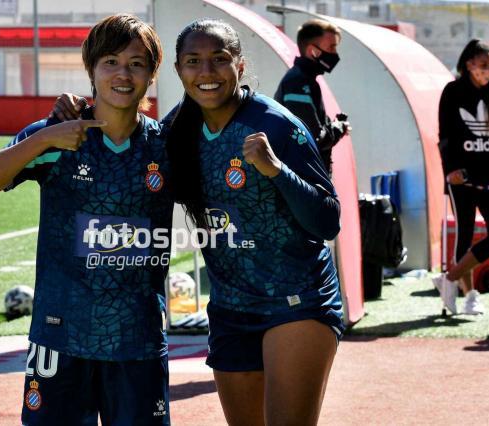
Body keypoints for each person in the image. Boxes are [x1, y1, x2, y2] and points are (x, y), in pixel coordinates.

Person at [52, 18, 345, 425]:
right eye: (193, 61)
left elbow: (328, 221)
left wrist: (276, 170)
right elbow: (124, 149)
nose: (206, 72)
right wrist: (74, 112)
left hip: (296, 302)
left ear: (239, 66)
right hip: (230, 309)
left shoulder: (275, 124)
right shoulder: (177, 129)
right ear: (178, 69)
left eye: (219, 59)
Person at [0, 14, 173, 425]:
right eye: (110, 62)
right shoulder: (56, 134)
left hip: (137, 338)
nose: (122, 74)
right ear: (91, 70)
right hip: (59, 334)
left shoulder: (166, 146)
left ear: (152, 75)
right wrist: (45, 137)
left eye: (136, 64)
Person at [434, 39, 489, 316]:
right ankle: (470, 294)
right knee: (465, 233)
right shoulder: (453, 91)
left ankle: (449, 277)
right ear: (469, 64)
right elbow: (444, 134)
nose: (488, 70)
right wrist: (451, 170)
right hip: (462, 177)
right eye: (483, 64)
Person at [273, 19, 350, 175]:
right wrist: (339, 128)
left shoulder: (306, 79)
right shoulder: (298, 82)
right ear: (312, 51)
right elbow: (313, 138)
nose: (335, 54)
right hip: (304, 178)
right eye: (331, 47)